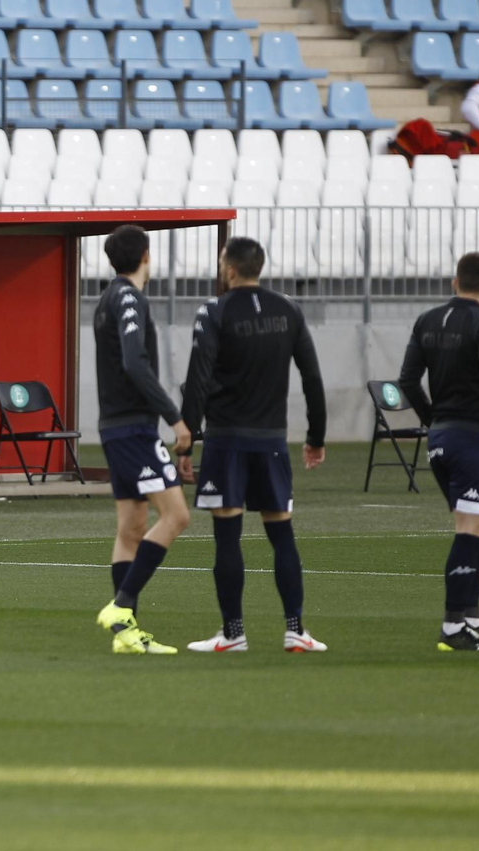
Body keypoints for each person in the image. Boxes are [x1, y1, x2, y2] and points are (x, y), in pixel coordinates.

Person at [177, 237, 328, 654]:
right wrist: (316, 437)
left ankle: (233, 633)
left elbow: (199, 378)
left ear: (228, 268)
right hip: (272, 442)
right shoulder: (289, 310)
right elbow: (312, 377)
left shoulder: (214, 311)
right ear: (259, 266)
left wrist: (186, 440)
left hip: (226, 442)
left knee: (227, 537)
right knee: (282, 534)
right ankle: (296, 629)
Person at [91, 225, 193, 655]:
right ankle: (122, 606)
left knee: (131, 527)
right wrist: (176, 418)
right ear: (146, 255)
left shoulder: (107, 298)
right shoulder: (129, 297)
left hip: (114, 426)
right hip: (134, 427)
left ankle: (127, 635)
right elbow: (135, 363)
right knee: (176, 516)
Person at [396, 251, 479, 652]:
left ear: (456, 281)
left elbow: (407, 380)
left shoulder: (426, 320)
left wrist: (435, 420)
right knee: (472, 529)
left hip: (441, 439)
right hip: (472, 440)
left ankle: (470, 618)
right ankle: (453, 625)